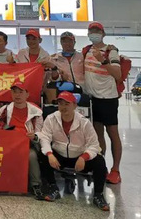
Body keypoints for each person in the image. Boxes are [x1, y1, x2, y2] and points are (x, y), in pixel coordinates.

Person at [38, 91, 109, 210]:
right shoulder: (51, 119)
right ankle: (53, 187)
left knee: (100, 161)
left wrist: (84, 157)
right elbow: (44, 138)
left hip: (79, 157)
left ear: (75, 105)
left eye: (67, 104)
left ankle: (98, 195)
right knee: (42, 155)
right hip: (60, 156)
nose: (63, 107)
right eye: (60, 104)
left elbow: (94, 145)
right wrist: (50, 154)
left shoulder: (84, 122)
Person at [82, 22, 122, 185]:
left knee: (113, 133)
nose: (94, 33)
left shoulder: (111, 51)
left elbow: (118, 74)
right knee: (98, 135)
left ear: (103, 34)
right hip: (93, 99)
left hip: (108, 98)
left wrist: (103, 60)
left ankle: (116, 170)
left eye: (97, 31)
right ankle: (101, 167)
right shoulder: (86, 51)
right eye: (91, 31)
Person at [0, 81, 44, 200]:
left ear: (27, 94)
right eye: (14, 92)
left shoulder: (36, 112)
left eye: (21, 92)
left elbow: (41, 132)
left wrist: (34, 136)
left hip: (27, 144)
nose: (17, 95)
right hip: (8, 144)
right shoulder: (5, 110)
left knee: (31, 156)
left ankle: (36, 185)